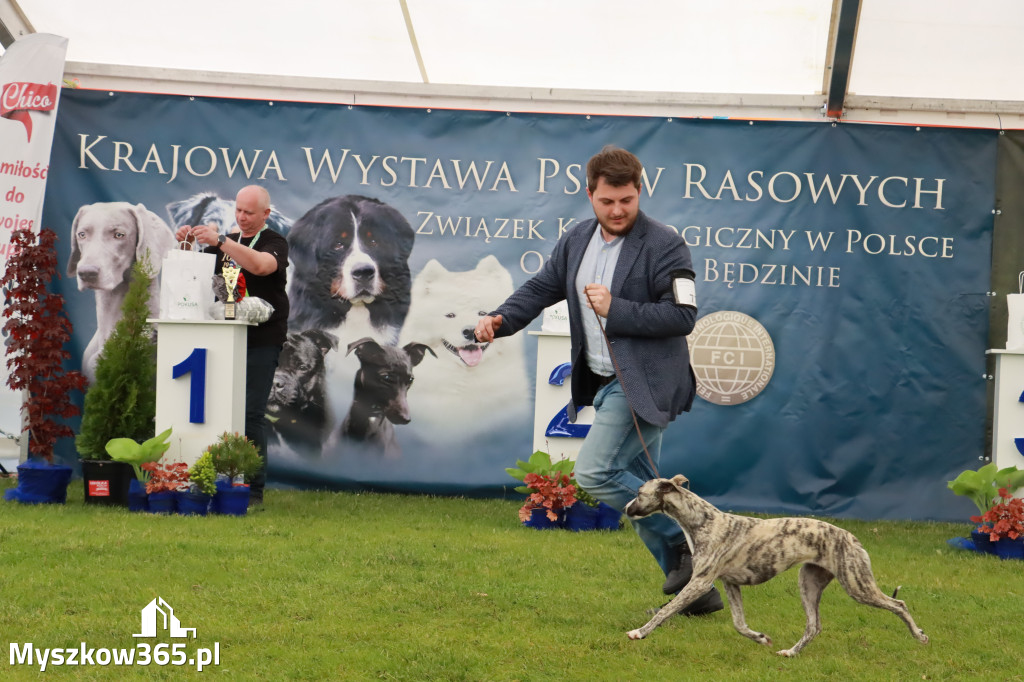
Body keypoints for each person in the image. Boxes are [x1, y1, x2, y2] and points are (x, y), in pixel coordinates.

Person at [474, 146, 722, 616]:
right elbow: (541, 288)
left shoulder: (665, 242)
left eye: (626, 200)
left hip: (646, 384)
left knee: (596, 472)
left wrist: (616, 308)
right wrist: (500, 318)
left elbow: (683, 315)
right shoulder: (576, 240)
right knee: (651, 485)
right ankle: (698, 592)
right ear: (590, 194)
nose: (617, 210)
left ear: (638, 192)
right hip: (604, 380)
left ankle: (695, 543)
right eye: (608, 201)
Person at [174, 185, 289, 506]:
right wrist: (184, 241)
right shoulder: (224, 242)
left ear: (265, 214)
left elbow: (261, 266)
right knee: (218, 410)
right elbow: (191, 274)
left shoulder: (274, 242)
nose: (241, 217)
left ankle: (253, 489)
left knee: (251, 414)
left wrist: (222, 241)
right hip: (222, 337)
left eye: (249, 212)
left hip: (262, 339)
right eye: (239, 210)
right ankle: (216, 477)